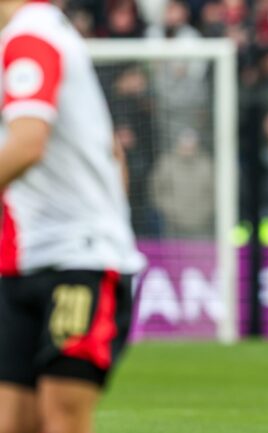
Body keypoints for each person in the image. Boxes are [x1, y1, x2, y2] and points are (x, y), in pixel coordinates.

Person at [0, 1, 144, 433]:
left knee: (61, 420)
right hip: (24, 261)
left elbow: (28, 144)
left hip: (77, 263)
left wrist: (100, 232)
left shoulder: (32, 37)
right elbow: (112, 151)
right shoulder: (43, 37)